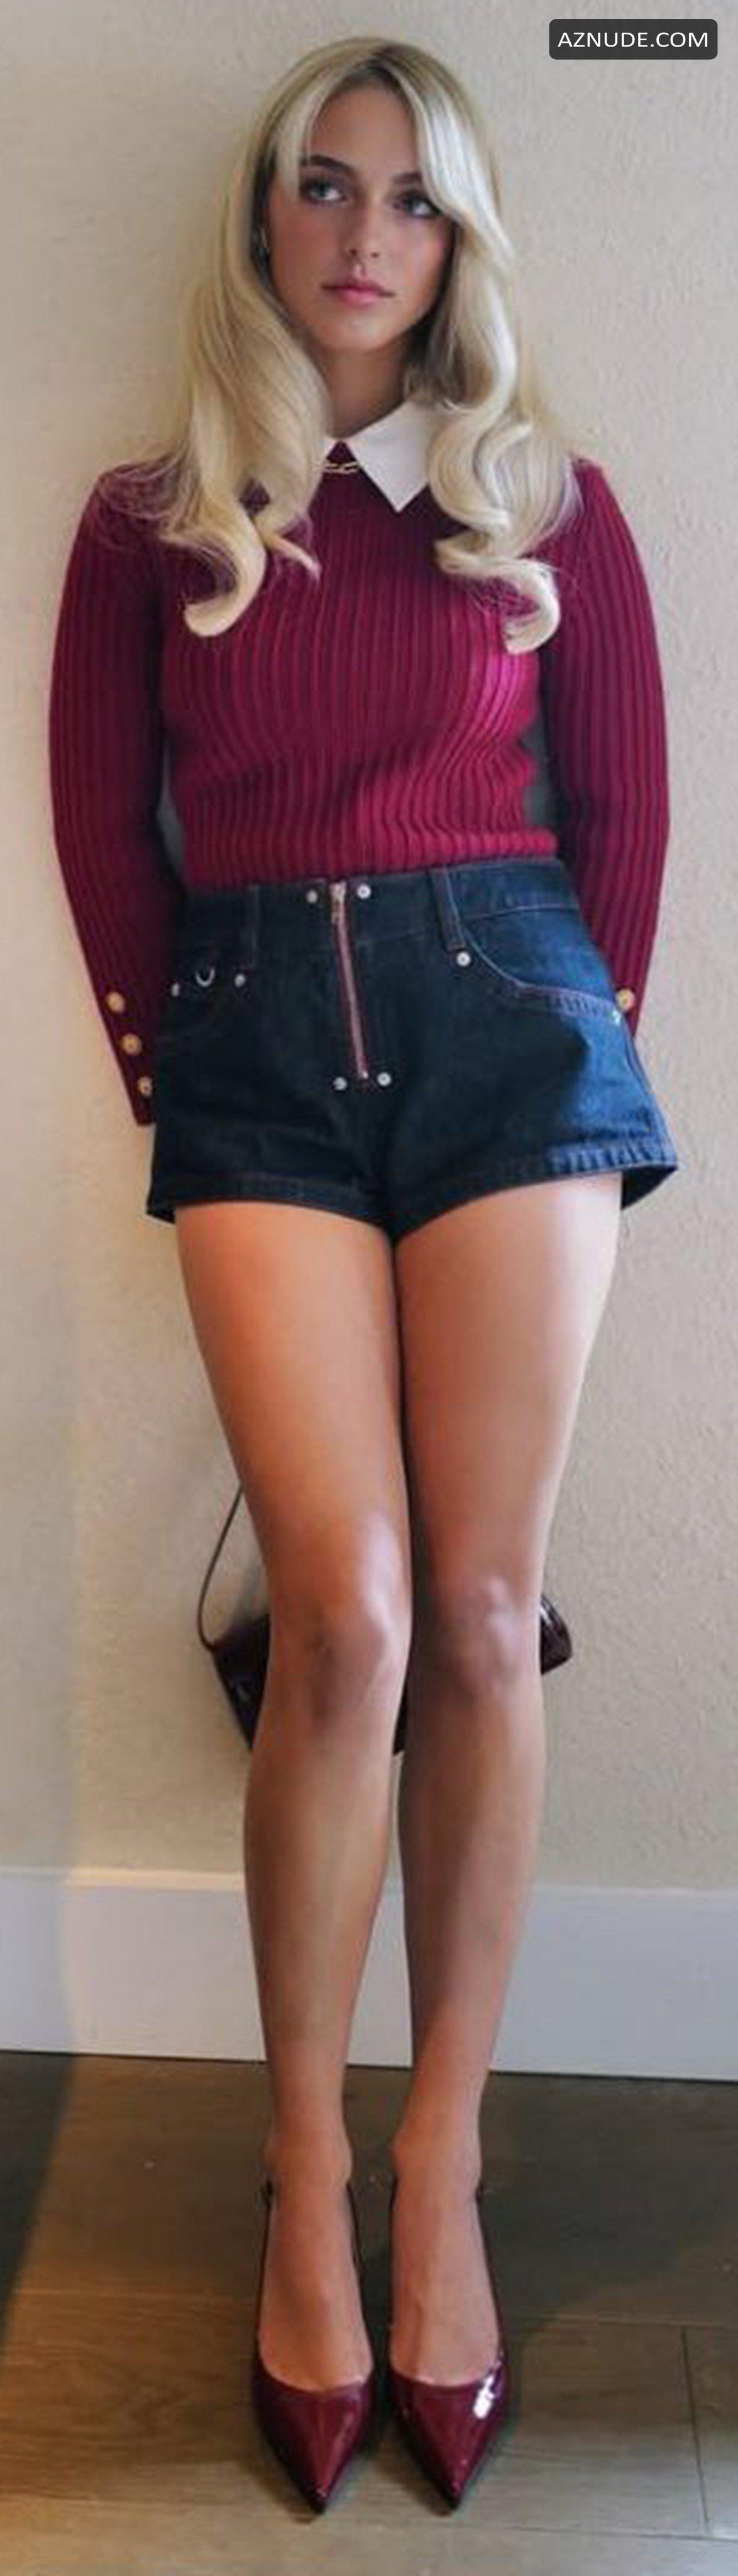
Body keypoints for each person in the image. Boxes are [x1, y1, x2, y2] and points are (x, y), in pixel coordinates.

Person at [48, 35, 680, 2512]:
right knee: (351, 1617)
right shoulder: (151, 524)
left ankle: (447, 2174)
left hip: (514, 1026)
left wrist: (567, 1058)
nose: (364, 234)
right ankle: (306, 2176)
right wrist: (183, 1087)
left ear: (461, 244)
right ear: (267, 220)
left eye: (414, 199)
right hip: (250, 1054)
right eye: (323, 186)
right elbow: (107, 837)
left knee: (491, 1610)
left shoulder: (549, 506)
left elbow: (623, 818)